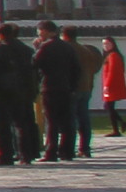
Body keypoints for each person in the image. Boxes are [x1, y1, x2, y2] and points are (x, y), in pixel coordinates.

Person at [0, 20, 41, 168]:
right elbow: (34, 72)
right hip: (23, 91)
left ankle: (5, 154)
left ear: (0, 35)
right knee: (22, 123)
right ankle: (26, 154)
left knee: (2, 125)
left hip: (2, 92)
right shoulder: (26, 50)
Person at [36, 20, 87, 161]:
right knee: (67, 122)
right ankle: (67, 151)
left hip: (50, 87)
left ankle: (51, 152)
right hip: (66, 88)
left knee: (51, 122)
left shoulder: (45, 47)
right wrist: (72, 87)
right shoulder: (67, 47)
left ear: (44, 31)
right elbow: (76, 69)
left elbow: (34, 64)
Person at [105, 36, 126, 138]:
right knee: (109, 107)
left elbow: (112, 72)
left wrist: (107, 85)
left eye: (107, 44)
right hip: (112, 85)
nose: (105, 46)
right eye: (104, 44)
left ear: (113, 44)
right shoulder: (112, 55)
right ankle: (120, 124)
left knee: (108, 106)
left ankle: (116, 129)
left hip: (111, 86)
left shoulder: (113, 56)